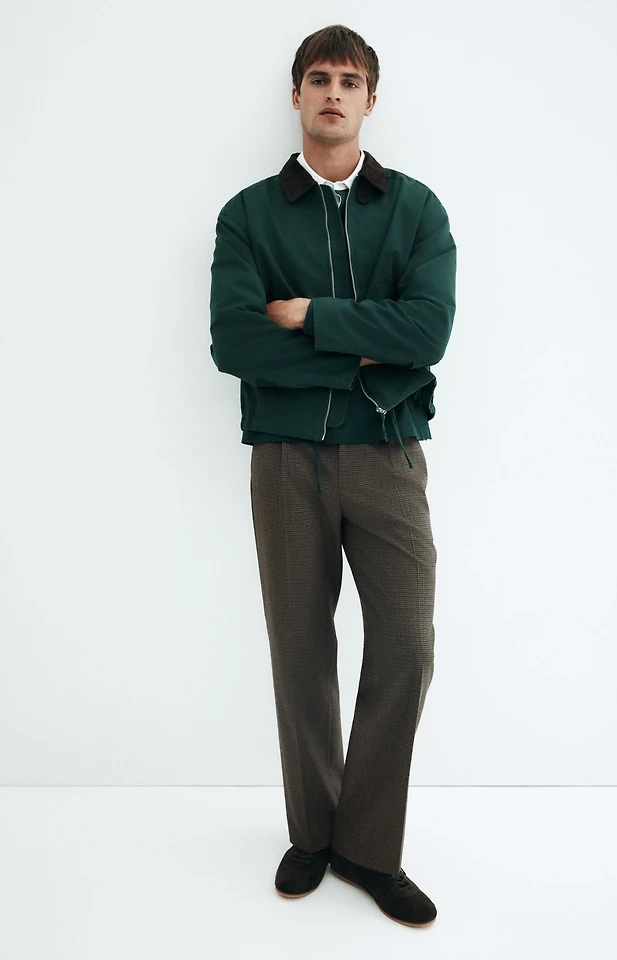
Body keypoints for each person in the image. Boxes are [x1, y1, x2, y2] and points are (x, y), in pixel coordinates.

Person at [209, 23, 456, 928]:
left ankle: (369, 846)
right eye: (319, 79)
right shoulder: (248, 215)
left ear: (371, 100)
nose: (334, 93)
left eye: (350, 81)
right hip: (285, 459)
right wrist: (366, 348)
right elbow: (235, 344)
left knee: (407, 646)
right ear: (297, 94)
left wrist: (311, 315)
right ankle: (313, 832)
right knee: (301, 650)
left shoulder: (416, 209)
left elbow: (428, 332)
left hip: (388, 454)